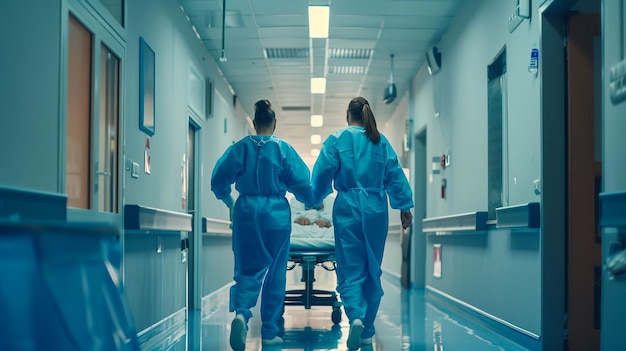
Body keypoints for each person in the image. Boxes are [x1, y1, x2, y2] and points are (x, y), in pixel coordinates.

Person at [310, 97, 414, 350]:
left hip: (347, 208)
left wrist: (315, 198)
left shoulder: (337, 140)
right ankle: (367, 328)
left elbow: (322, 175)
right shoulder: (381, 142)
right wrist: (404, 206)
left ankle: (355, 316)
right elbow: (395, 175)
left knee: (349, 267)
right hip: (376, 208)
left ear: (348, 114)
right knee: (372, 268)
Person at [211, 99, 314, 351]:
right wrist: (311, 201)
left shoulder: (239, 149)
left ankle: (242, 313)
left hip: (246, 211)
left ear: (254, 123)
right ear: (274, 124)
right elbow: (304, 186)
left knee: (246, 268)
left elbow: (218, 181)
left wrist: (230, 203)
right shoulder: (283, 149)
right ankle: (270, 332)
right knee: (275, 273)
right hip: (276, 214)